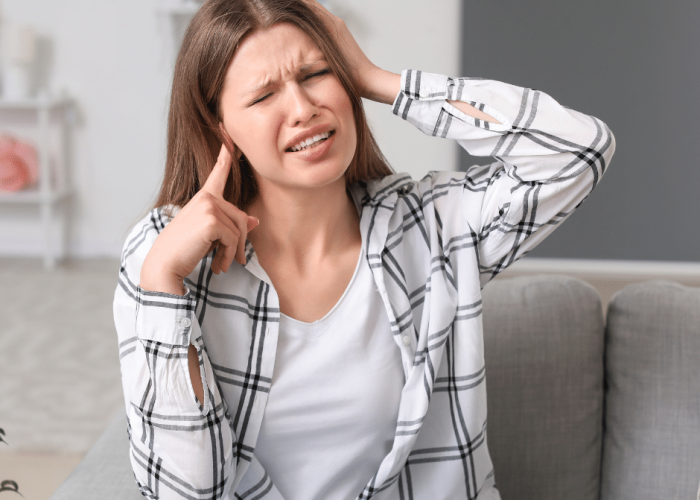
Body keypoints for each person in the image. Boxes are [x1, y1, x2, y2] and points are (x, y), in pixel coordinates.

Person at [114, 0, 615, 498]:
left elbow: (577, 152)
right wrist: (161, 286)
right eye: (264, 95)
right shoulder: (163, 258)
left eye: (315, 73)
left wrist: (380, 80)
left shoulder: (431, 227)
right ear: (222, 128)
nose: (303, 108)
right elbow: (186, 490)